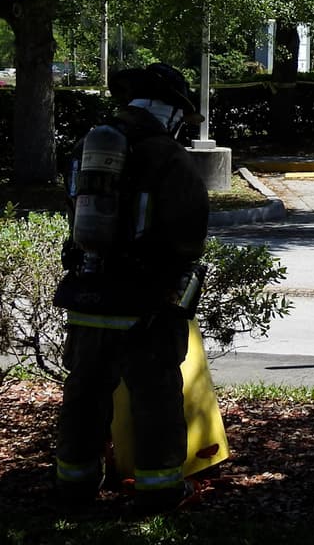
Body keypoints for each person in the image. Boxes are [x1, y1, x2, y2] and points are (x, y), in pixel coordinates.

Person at [53, 62, 209, 515]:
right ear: (168, 109)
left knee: (84, 392)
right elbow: (189, 232)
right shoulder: (168, 155)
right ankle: (159, 490)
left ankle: (73, 486)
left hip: (87, 295)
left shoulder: (90, 144)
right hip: (146, 304)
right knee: (154, 396)